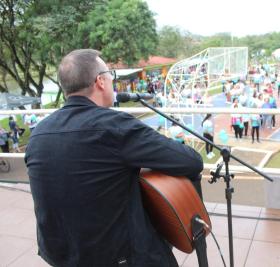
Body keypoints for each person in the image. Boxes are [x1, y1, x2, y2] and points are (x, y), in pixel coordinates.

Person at [25, 49, 203, 267]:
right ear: (100, 81)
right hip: (117, 257)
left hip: (61, 255)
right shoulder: (115, 126)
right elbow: (191, 161)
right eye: (111, 76)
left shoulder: (39, 133)